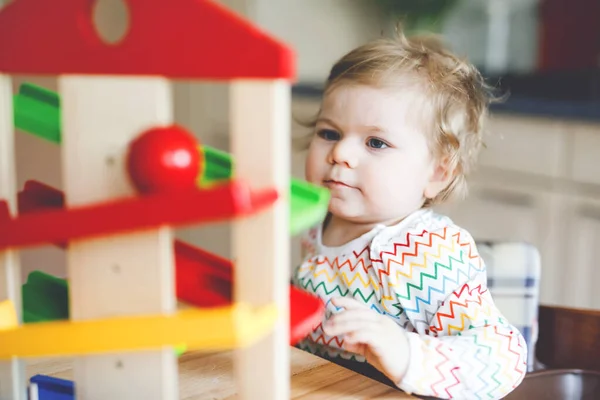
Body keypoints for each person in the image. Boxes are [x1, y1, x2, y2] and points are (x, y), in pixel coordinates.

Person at [292, 28, 527, 400]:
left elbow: (502, 358)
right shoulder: (315, 220)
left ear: (437, 174)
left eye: (375, 142)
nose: (340, 154)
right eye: (330, 133)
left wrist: (404, 352)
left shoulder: (422, 250)